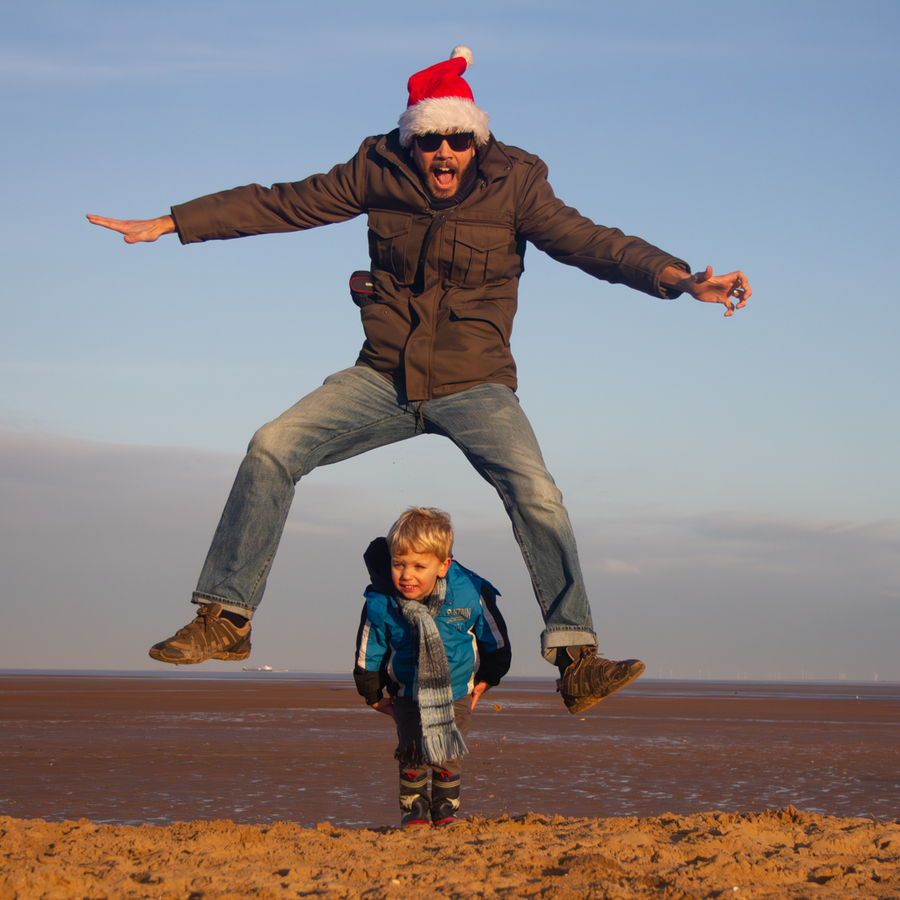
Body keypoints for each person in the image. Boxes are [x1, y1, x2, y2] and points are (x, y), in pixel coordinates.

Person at [86, 46, 751, 714]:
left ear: (476, 139)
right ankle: (227, 620)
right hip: (384, 376)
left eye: (459, 141)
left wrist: (680, 279)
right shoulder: (375, 169)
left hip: (475, 382)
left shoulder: (516, 183)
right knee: (271, 446)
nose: (445, 154)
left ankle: (576, 660)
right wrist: (176, 222)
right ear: (413, 140)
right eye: (431, 141)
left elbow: (592, 243)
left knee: (537, 493)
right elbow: (283, 203)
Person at [354, 507, 510, 826]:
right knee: (412, 751)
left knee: (447, 756)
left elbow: (495, 638)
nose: (406, 575)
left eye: (418, 566)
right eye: (399, 564)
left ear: (443, 565)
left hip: (456, 693)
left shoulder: (469, 592)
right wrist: (371, 694)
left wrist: (488, 678)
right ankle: (414, 812)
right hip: (407, 693)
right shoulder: (382, 603)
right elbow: (369, 651)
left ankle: (444, 811)